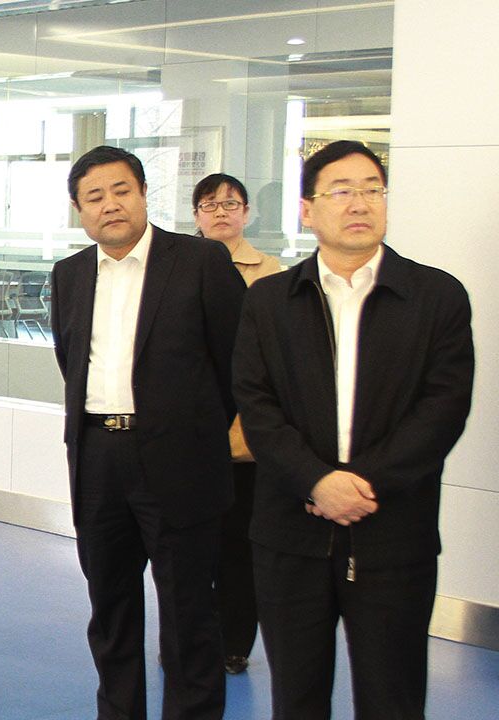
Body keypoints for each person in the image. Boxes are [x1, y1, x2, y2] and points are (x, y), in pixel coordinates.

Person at [233, 140, 474, 719]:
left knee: (394, 698)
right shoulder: (270, 300)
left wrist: (362, 485)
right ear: (307, 210)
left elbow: (442, 409)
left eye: (372, 189)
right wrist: (316, 481)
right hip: (290, 536)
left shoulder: (435, 296)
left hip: (394, 535)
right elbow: (257, 406)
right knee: (296, 697)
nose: (360, 203)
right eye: (341, 191)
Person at [50, 145, 245, 720]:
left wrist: (196, 432)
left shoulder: (201, 261)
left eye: (121, 191)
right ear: (79, 211)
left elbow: (237, 364)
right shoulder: (70, 275)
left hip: (181, 462)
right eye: (94, 196)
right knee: (110, 608)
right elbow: (71, 361)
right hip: (97, 458)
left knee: (189, 613)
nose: (109, 205)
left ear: (142, 194)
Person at [191, 173, 282, 676]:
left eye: (231, 204)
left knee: (239, 545)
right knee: (189, 548)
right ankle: (192, 633)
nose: (221, 212)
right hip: (190, 433)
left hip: (246, 436)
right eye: (210, 204)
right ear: (196, 215)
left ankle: (234, 642)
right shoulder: (178, 267)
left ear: (247, 213)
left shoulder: (272, 273)